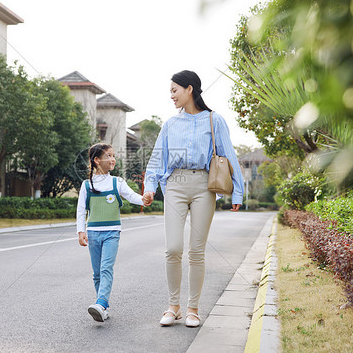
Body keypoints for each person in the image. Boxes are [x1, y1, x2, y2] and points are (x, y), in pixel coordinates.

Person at [142, 70, 244, 328]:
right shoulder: (170, 124)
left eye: (174, 90)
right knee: (173, 248)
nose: (171, 96)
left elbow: (228, 155)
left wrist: (239, 191)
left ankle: (193, 309)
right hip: (174, 185)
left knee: (197, 251)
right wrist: (150, 186)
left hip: (203, 187)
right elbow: (157, 157)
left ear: (190, 89)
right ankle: (173, 306)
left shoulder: (214, 120)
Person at [77, 143, 144, 322]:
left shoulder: (117, 182)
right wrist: (80, 231)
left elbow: (131, 196)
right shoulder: (86, 185)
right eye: (108, 156)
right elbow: (81, 209)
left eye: (113, 155)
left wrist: (144, 200)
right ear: (97, 160)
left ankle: (101, 303)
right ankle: (102, 308)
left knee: (106, 268)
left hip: (112, 232)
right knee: (97, 273)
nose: (113, 159)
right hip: (93, 233)